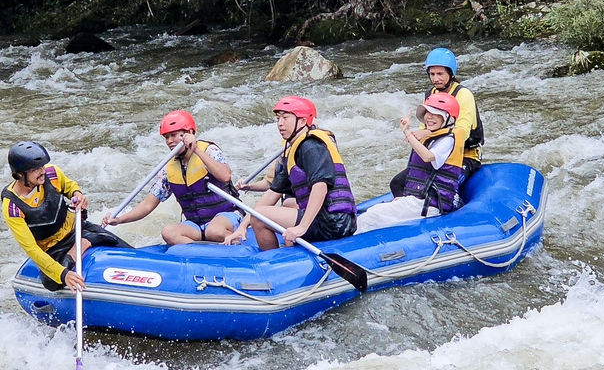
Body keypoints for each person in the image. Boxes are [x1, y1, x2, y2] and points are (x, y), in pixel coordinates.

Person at [225, 96, 357, 250]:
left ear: (302, 121)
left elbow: (320, 187)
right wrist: (243, 225)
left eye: (286, 118)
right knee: (262, 214)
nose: (280, 123)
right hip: (324, 218)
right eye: (278, 118)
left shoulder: (311, 146)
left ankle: (274, 262)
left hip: (334, 222)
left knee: (260, 219)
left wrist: (302, 227)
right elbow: (270, 196)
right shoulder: (293, 151)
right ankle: (282, 255)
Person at [2, 141, 130, 292]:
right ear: (19, 174)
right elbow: (31, 249)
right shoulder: (12, 207)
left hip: (77, 228)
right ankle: (81, 246)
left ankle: (84, 242)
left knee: (126, 249)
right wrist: (64, 274)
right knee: (52, 282)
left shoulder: (52, 173)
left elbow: (70, 187)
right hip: (54, 248)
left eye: (42, 166)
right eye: (35, 169)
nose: (42, 171)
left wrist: (78, 195)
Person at [103, 110, 242, 244]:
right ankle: (201, 253)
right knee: (169, 232)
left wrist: (196, 150)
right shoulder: (168, 169)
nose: (169, 141)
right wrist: (120, 219)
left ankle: (234, 244)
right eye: (166, 137)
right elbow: (147, 205)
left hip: (226, 216)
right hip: (196, 225)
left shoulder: (209, 151)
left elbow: (225, 176)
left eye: (174, 135)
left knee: (215, 231)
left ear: (190, 133)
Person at [357, 92, 464, 234]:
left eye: (436, 114)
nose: (429, 117)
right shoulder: (433, 137)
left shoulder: (448, 140)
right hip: (416, 200)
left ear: (448, 118)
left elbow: (427, 157)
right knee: (372, 212)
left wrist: (407, 133)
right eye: (427, 113)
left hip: (428, 205)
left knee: (370, 218)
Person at [390, 46, 484, 196]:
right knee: (397, 183)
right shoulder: (431, 94)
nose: (435, 78)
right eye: (432, 74)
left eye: (440, 74)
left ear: (451, 74)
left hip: (465, 157)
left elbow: (461, 133)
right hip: (436, 154)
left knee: (439, 188)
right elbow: (425, 130)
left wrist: (425, 132)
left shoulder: (463, 95)